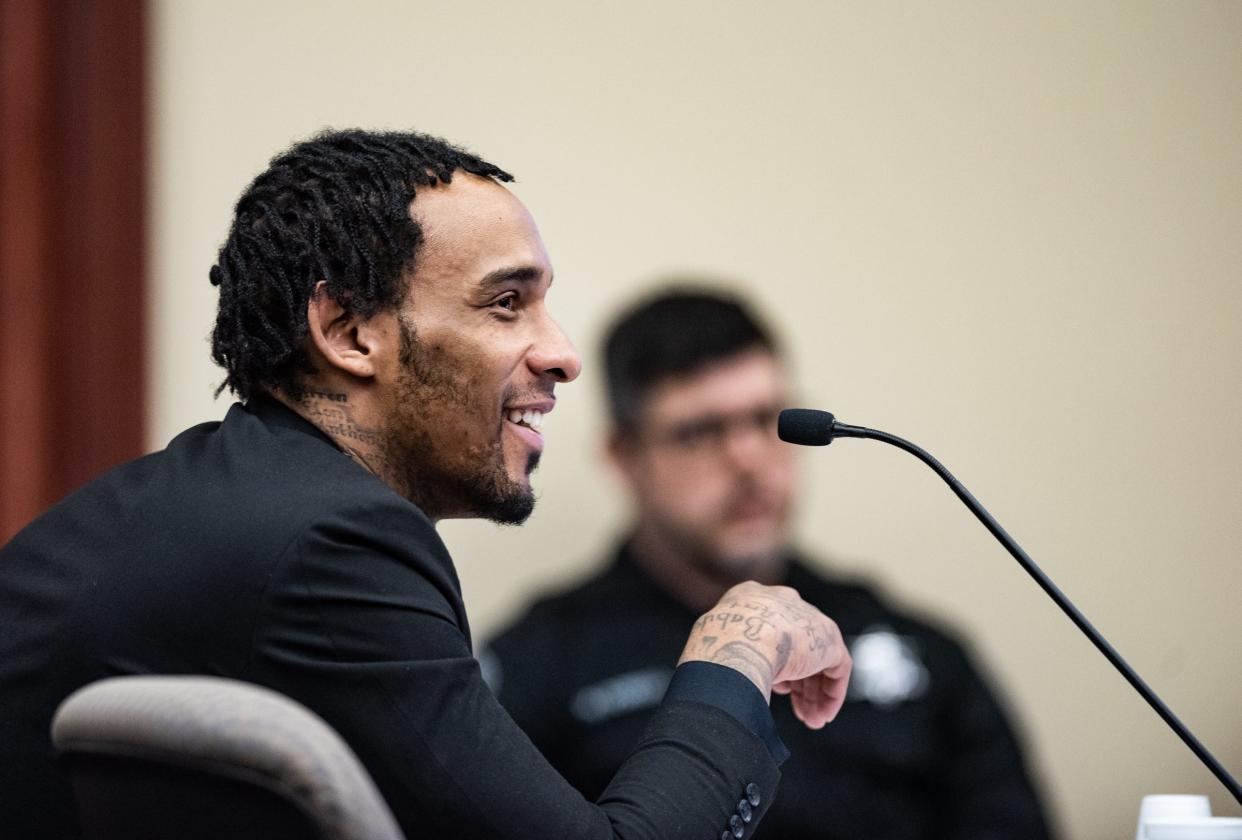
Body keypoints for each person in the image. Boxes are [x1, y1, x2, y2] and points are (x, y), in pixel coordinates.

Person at [0, 131, 853, 840]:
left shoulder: (209, 500)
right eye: (505, 303)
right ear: (348, 332)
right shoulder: (334, 544)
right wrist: (735, 651)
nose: (562, 353)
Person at [482, 289, 1054, 840]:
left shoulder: (914, 645)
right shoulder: (541, 660)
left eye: (768, 420)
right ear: (623, 457)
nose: (749, 459)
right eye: (699, 432)